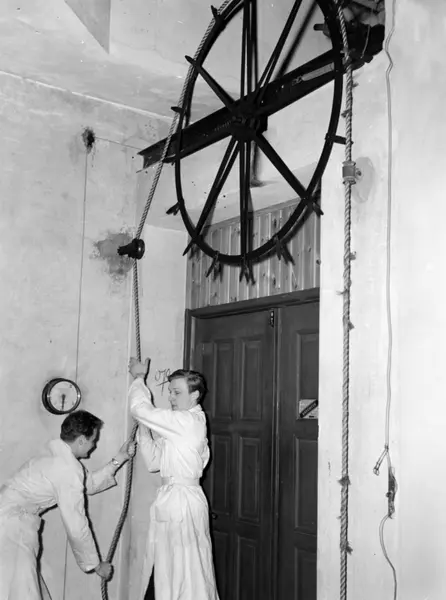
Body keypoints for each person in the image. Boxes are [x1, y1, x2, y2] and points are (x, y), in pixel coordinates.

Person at [0, 409, 136, 600]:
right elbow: (76, 525)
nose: (94, 445)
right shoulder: (67, 469)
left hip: (10, 523)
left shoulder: (58, 457)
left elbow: (88, 484)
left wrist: (120, 458)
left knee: (20, 589)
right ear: (81, 440)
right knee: (20, 591)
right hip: (10, 529)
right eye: (93, 440)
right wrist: (96, 565)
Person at [128, 357, 219, 600]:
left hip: (182, 503)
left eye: (177, 392)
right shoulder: (181, 426)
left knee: (185, 573)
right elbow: (154, 462)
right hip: (174, 499)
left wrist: (139, 378)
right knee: (168, 569)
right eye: (169, 392)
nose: (170, 397)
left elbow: (139, 409)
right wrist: (144, 429)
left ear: (195, 395)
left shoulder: (187, 422)